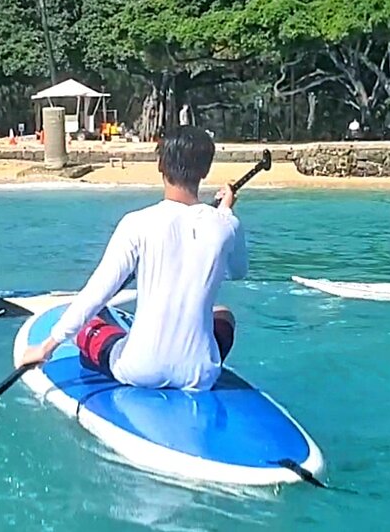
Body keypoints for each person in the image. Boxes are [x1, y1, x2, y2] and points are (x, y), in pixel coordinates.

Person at [18, 127, 247, 390]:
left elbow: (96, 293)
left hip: (139, 371)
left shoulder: (136, 223)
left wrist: (46, 347)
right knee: (224, 315)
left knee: (88, 323)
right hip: (201, 375)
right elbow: (237, 271)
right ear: (206, 170)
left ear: (160, 165)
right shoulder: (227, 225)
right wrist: (225, 212)